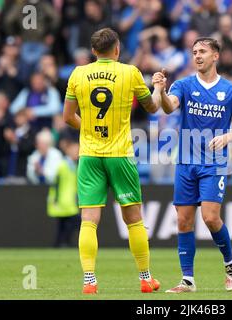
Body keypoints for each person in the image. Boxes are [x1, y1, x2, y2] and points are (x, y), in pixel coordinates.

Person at [63, 28, 161, 294]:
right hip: (120, 155)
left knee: (89, 220)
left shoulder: (78, 74)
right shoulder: (130, 72)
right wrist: (159, 89)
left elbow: (67, 117)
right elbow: (152, 107)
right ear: (117, 49)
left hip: (90, 156)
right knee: (134, 219)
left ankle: (89, 281)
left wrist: (88, 129)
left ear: (94, 51)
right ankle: (145, 278)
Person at [152, 37, 232, 293]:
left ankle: (230, 264)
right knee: (184, 221)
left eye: (203, 51)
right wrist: (161, 90)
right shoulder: (183, 84)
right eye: (194, 52)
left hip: (214, 163)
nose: (197, 55)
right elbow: (170, 108)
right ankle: (188, 280)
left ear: (215, 55)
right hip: (185, 162)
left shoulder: (231, 90)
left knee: (210, 217)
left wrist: (227, 137)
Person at [47, 139, 80, 248]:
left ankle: (61, 244)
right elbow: (54, 182)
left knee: (63, 226)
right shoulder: (62, 165)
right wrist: (55, 199)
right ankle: (63, 243)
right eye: (75, 150)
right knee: (73, 223)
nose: (77, 153)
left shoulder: (74, 165)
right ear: (68, 151)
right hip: (62, 201)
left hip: (69, 201)